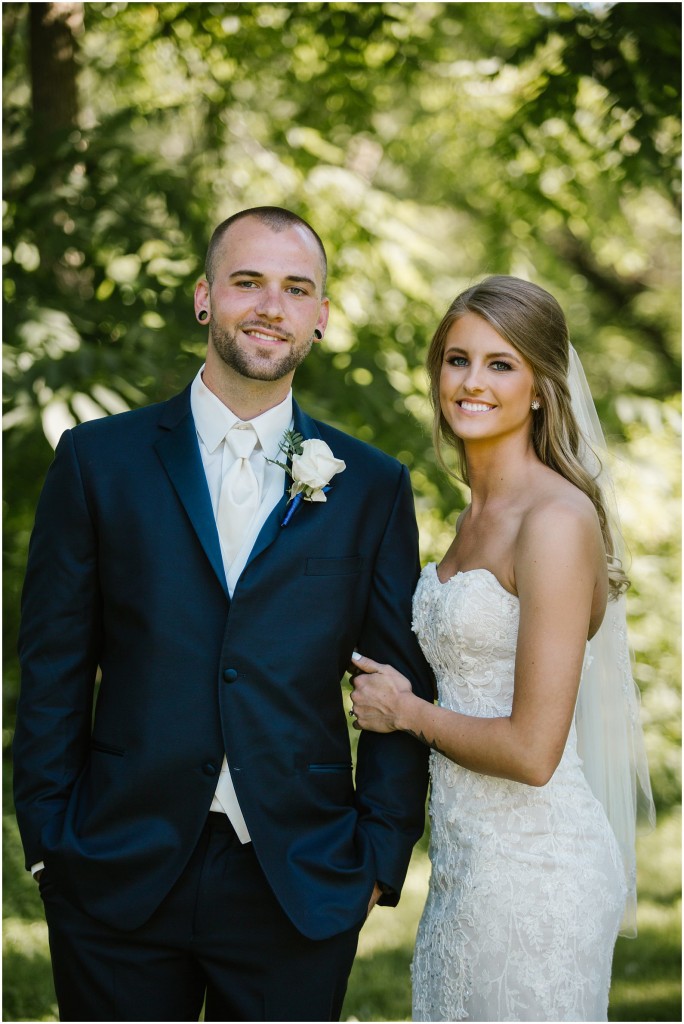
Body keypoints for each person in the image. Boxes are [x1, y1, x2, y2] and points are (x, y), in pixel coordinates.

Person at [13, 206, 434, 1022]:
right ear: (205, 298)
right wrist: (48, 849)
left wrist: (379, 857)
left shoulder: (373, 487)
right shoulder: (99, 462)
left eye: (295, 288)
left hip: (300, 877)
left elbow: (396, 680)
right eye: (248, 282)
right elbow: (56, 666)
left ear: (321, 316)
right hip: (115, 867)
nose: (271, 306)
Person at [349, 275, 655, 1022]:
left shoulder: (553, 518)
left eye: (500, 363)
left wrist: (406, 712)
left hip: (538, 873)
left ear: (542, 387)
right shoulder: (472, 518)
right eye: (457, 359)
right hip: (466, 865)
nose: (472, 382)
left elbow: (533, 750)